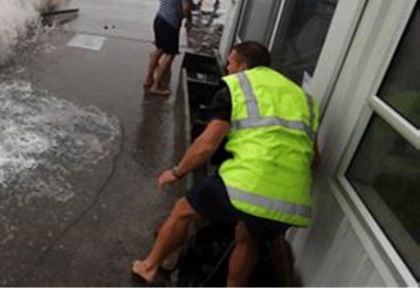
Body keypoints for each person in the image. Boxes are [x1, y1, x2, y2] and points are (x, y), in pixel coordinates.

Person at [132, 41, 321, 286]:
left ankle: (148, 267)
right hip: (292, 201)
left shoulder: (237, 87)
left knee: (183, 210)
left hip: (248, 185)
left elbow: (207, 145)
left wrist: (176, 173)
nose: (227, 68)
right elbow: (315, 160)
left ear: (243, 66)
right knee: (248, 235)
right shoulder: (303, 99)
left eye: (230, 63)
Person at [144, 0, 196, 97]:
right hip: (170, 23)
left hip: (159, 18)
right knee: (170, 54)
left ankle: (148, 79)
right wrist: (189, 20)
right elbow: (186, 7)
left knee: (159, 49)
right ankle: (155, 86)